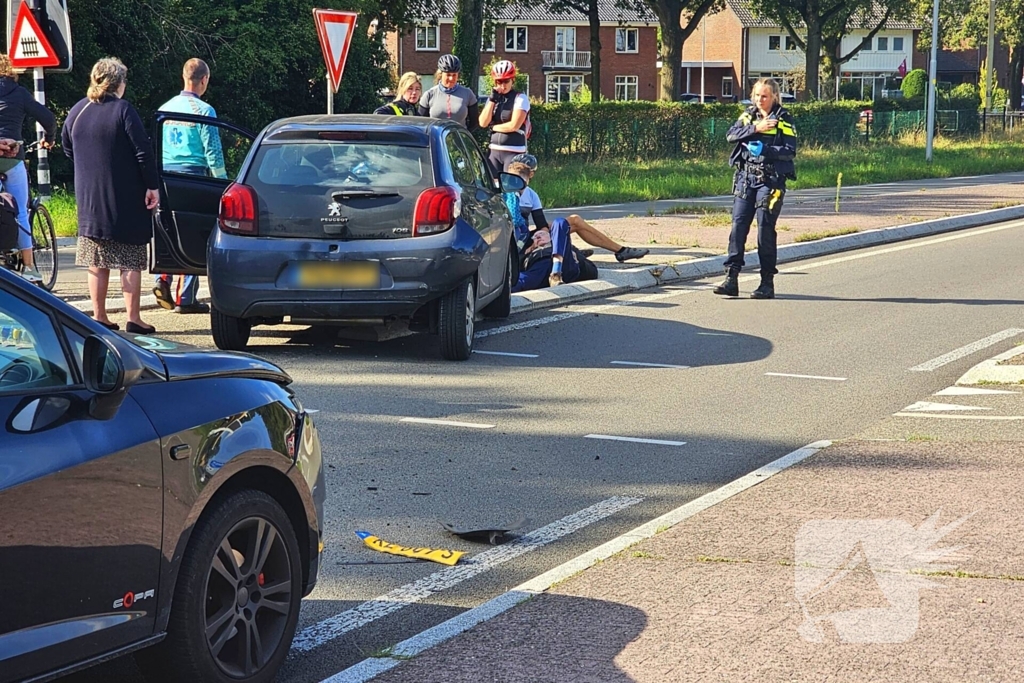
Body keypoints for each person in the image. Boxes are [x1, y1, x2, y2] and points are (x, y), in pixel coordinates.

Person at [62, 57, 159, 334]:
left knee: (96, 258)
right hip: (124, 197)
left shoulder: (78, 110)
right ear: (119, 83)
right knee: (129, 257)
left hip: (89, 198)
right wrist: (152, 186)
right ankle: (133, 317)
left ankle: (100, 315)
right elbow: (143, 151)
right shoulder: (123, 110)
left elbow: (68, 147)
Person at [153, 58, 225, 314]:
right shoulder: (204, 111)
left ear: (183, 76)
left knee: (167, 229)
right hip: (193, 175)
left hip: (165, 175)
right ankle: (185, 298)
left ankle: (162, 278)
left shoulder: (165, 108)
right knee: (192, 231)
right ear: (204, 80)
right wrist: (221, 182)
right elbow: (213, 151)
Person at [714, 77, 797, 299]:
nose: (760, 100)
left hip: (770, 182)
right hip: (745, 179)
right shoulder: (749, 115)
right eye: (757, 95)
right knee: (738, 227)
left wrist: (766, 151)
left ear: (774, 97)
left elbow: (790, 150)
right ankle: (731, 279)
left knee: (764, 231)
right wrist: (755, 128)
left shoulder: (783, 118)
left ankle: (766, 283)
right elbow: (731, 135)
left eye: (764, 96)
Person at [508, 154, 649, 264]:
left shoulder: (531, 195)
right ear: (531, 174)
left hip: (524, 237)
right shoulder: (503, 190)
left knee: (572, 221)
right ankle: (617, 251)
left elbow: (541, 225)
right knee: (571, 222)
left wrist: (552, 230)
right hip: (511, 240)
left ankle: (618, 251)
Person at [0, 53, 57, 282]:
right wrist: (49, 138)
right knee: (21, 211)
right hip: (13, 157)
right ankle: (30, 267)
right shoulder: (19, 93)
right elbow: (48, 118)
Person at [478, 60, 529, 173]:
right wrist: (492, 100)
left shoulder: (520, 98)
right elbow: (482, 122)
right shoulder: (493, 98)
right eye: (499, 81)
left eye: (506, 81)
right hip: (494, 151)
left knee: (511, 187)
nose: (502, 85)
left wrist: (493, 127)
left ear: (512, 80)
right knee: (493, 187)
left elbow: (514, 126)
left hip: (514, 151)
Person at [417, 54, 479, 129]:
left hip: (458, 138)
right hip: (435, 138)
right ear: (441, 74)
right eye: (448, 75)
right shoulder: (429, 94)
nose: (451, 78)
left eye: (454, 75)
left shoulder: (468, 94)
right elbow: (421, 123)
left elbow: (474, 122)